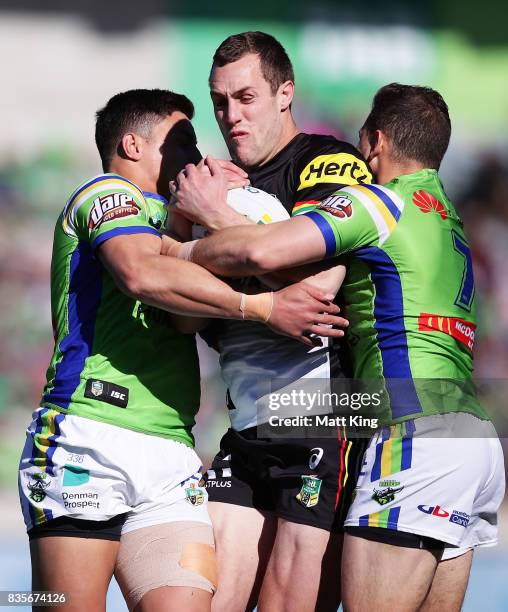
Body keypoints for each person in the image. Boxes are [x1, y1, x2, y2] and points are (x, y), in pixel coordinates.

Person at [170, 83, 505, 612]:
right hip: (476, 442)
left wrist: (185, 235)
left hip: (413, 432)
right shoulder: (448, 219)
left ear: (373, 142)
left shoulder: (380, 201)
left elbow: (262, 249)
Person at [18, 88, 347, 612]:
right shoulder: (103, 193)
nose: (196, 156)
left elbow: (185, 318)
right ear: (132, 144)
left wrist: (198, 216)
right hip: (87, 436)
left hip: (171, 454)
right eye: (183, 142)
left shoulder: (170, 215)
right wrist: (263, 308)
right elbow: (141, 272)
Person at [170, 31, 373, 612]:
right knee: (206, 601)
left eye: (246, 97)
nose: (230, 116)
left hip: (322, 417)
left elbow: (313, 291)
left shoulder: (327, 162)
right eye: (219, 101)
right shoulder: (216, 183)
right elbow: (184, 323)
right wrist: (185, 229)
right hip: (246, 424)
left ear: (286, 93)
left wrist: (212, 220)